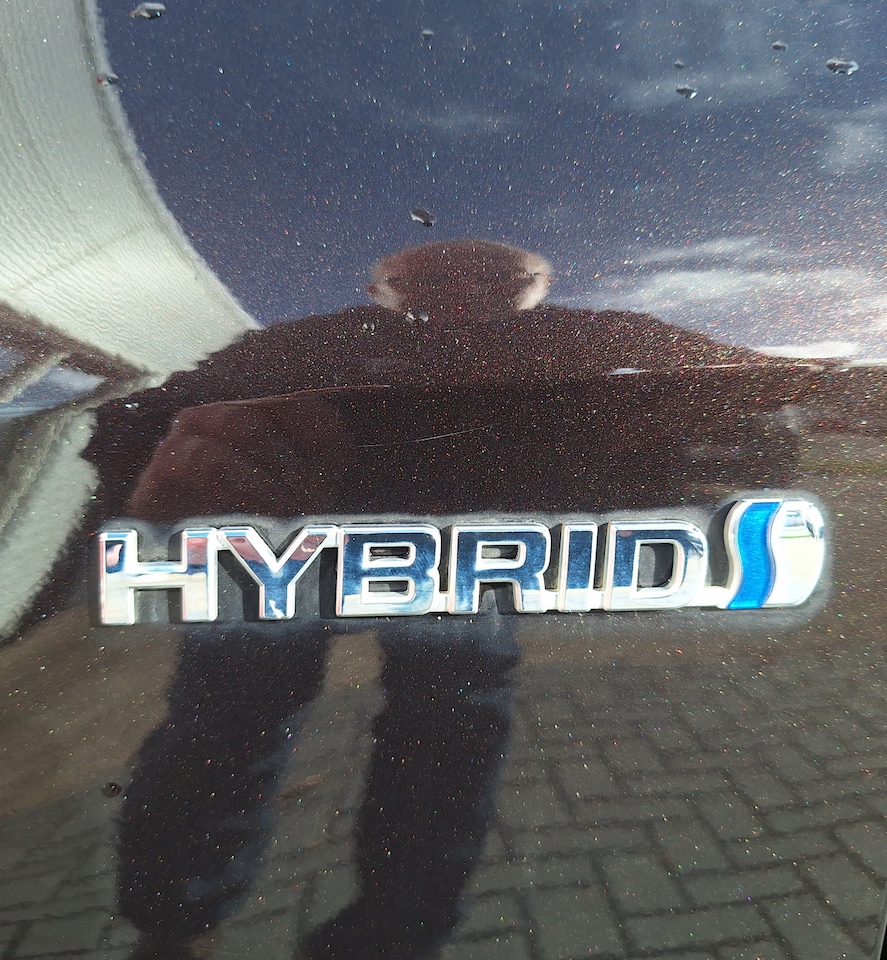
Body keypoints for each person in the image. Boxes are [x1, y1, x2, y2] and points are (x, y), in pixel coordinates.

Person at [86, 239, 813, 960]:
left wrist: (682, 438)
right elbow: (135, 422)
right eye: (430, 278)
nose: (461, 293)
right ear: (380, 290)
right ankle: (178, 925)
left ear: (536, 287)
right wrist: (168, 473)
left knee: (444, 730)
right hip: (287, 545)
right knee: (229, 720)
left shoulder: (584, 336)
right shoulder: (310, 340)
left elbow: (752, 382)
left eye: (493, 277)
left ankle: (387, 939)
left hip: (457, 557)